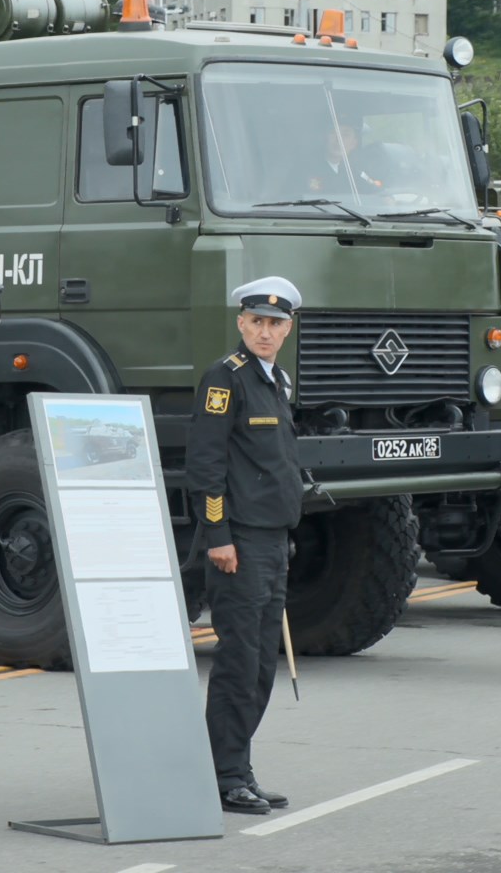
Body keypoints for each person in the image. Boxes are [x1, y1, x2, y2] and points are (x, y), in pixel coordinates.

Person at [186, 275, 304, 816]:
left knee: (260, 665)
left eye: (275, 324)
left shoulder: (276, 380)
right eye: (256, 321)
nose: (265, 331)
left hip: (272, 540)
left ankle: (238, 770)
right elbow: (206, 466)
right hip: (240, 544)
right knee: (239, 661)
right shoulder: (225, 378)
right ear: (241, 323)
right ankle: (225, 775)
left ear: (287, 329)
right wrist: (218, 538)